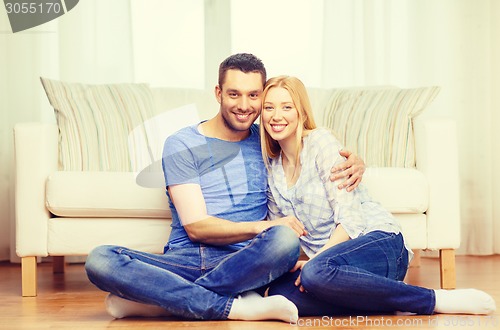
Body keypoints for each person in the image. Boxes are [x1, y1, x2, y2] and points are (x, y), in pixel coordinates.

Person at [84, 53, 365, 322]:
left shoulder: (268, 140)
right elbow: (196, 227)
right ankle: (235, 306)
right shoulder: (181, 144)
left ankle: (162, 301)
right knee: (100, 260)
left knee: (285, 241)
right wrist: (261, 226)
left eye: (253, 95)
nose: (244, 105)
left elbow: (313, 148)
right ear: (218, 93)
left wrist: (355, 162)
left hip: (249, 260)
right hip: (187, 258)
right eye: (234, 94)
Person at [260, 75, 496, 318]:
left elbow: (351, 221)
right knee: (281, 294)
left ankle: (432, 299)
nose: (276, 115)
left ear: (301, 112)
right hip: (339, 271)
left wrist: (315, 262)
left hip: (378, 243)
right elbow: (286, 235)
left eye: (286, 107)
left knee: (313, 274)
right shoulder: (272, 169)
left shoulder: (320, 143)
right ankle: (378, 298)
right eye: (269, 107)